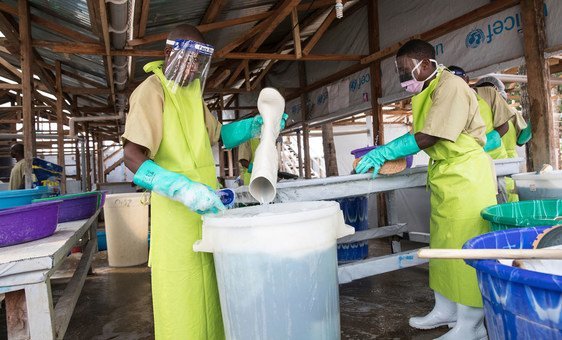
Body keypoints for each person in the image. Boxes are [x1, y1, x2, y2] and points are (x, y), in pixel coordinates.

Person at [122, 24, 286, 339]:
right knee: (183, 309)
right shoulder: (151, 92)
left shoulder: (191, 95)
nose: (194, 66)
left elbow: (219, 135)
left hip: (207, 215)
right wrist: (181, 188)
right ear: (169, 53)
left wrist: (257, 125)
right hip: (176, 221)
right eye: (190, 57)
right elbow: (132, 156)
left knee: (212, 302)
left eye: (200, 60)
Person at [356, 39, 497, 339]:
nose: (403, 78)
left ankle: (471, 325)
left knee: (467, 251)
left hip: (466, 178)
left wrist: (385, 151)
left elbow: (430, 135)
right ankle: (445, 311)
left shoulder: (452, 87)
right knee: (443, 248)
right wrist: (395, 149)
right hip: (445, 178)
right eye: (400, 72)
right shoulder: (428, 90)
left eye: (406, 70)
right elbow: (419, 130)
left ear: (425, 63)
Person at [449, 68, 531, 202]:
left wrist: (532, 127)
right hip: (477, 164)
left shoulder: (511, 112)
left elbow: (521, 140)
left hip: (506, 164)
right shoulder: (462, 105)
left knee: (507, 201)